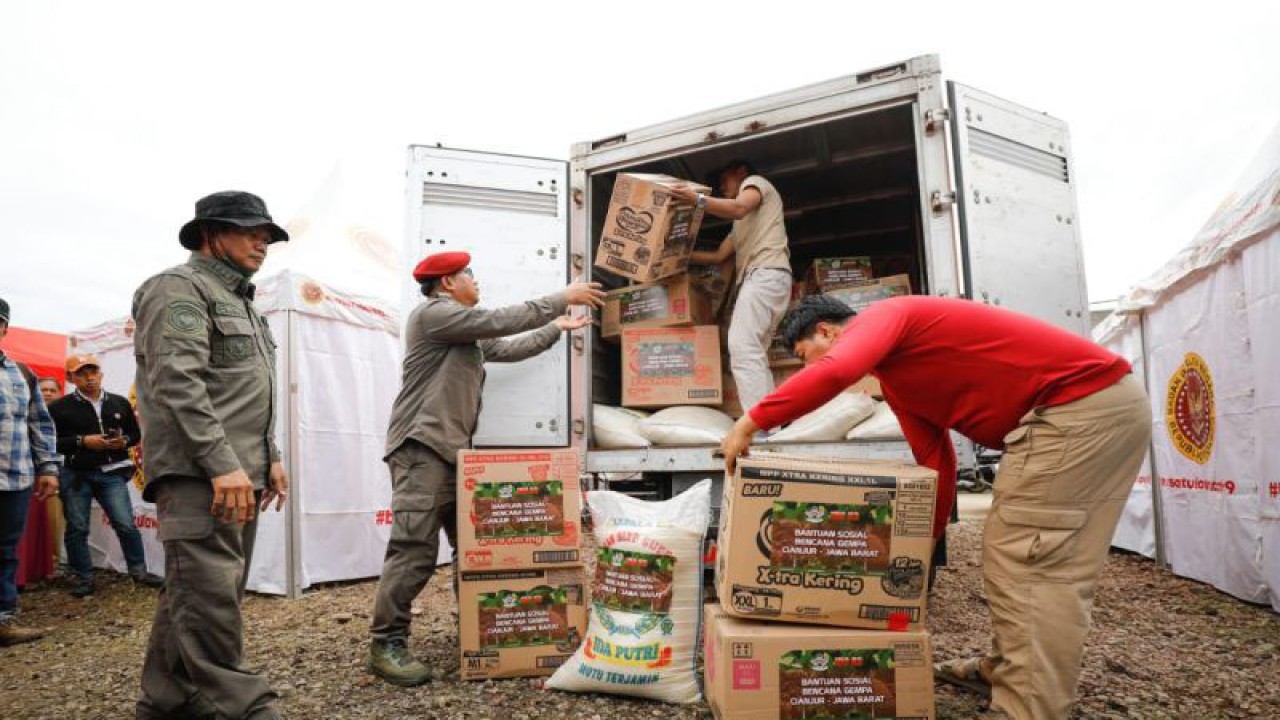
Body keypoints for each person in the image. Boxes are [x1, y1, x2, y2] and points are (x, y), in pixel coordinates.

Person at [719, 294, 1150, 720]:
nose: (808, 367)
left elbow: (835, 371)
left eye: (805, 355)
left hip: (1076, 411)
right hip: (1089, 411)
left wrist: (748, 423)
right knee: (1028, 558)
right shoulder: (899, 382)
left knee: (1030, 563)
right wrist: (924, 544)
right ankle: (1012, 673)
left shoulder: (887, 314)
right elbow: (936, 461)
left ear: (827, 331)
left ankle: (1028, 705)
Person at [367, 251, 604, 687]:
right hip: (421, 449)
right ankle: (386, 642)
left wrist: (556, 328)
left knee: (472, 551)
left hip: (450, 453)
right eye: (470, 275)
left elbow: (509, 348)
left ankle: (477, 632)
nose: (477, 282)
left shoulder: (464, 335)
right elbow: (500, 322)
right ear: (448, 284)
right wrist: (562, 298)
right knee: (414, 550)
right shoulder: (434, 315)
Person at [131, 191, 291, 720]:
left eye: (266, 235)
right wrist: (222, 464)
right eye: (249, 231)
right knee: (211, 598)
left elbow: (249, 391)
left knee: (196, 590)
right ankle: (246, 706)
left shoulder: (246, 301)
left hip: (237, 471)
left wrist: (269, 457)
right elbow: (178, 384)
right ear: (209, 233)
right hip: (202, 472)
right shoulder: (177, 289)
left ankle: (166, 700)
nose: (261, 243)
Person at [672, 159, 792, 414]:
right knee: (754, 352)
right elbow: (718, 257)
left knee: (742, 346)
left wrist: (696, 199)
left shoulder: (756, 184)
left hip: (766, 273)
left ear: (741, 172)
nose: (721, 187)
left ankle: (760, 424)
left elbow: (737, 207)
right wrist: (677, 255)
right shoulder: (740, 224)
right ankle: (772, 420)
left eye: (724, 180)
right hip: (766, 278)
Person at [48, 353, 162, 597]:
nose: (89, 378)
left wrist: (124, 441)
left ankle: (139, 572)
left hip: (111, 474)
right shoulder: (58, 407)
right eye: (81, 373)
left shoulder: (119, 402)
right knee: (77, 528)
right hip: (75, 474)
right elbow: (49, 442)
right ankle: (84, 578)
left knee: (125, 524)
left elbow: (135, 434)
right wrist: (83, 441)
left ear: (101, 373)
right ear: (71, 377)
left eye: (93, 372)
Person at [0, 297, 61, 646]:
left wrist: (48, 467)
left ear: (5, 328)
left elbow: (40, 423)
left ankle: (3, 621)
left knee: (6, 551)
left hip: (15, 475)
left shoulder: (22, 373)